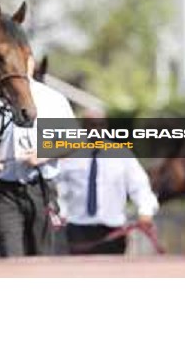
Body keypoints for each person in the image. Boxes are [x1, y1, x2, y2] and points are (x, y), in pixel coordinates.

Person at [0, 55, 74, 257]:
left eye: (22, 60)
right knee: (11, 255)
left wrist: (43, 154)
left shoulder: (52, 99)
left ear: (31, 62)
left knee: (42, 254)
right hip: (3, 189)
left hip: (41, 187)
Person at [56, 108, 159, 255]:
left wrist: (145, 211)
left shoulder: (122, 155)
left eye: (100, 124)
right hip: (76, 230)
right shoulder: (68, 155)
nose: (96, 129)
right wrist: (60, 213)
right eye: (91, 124)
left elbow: (140, 186)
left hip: (113, 231)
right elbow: (55, 187)